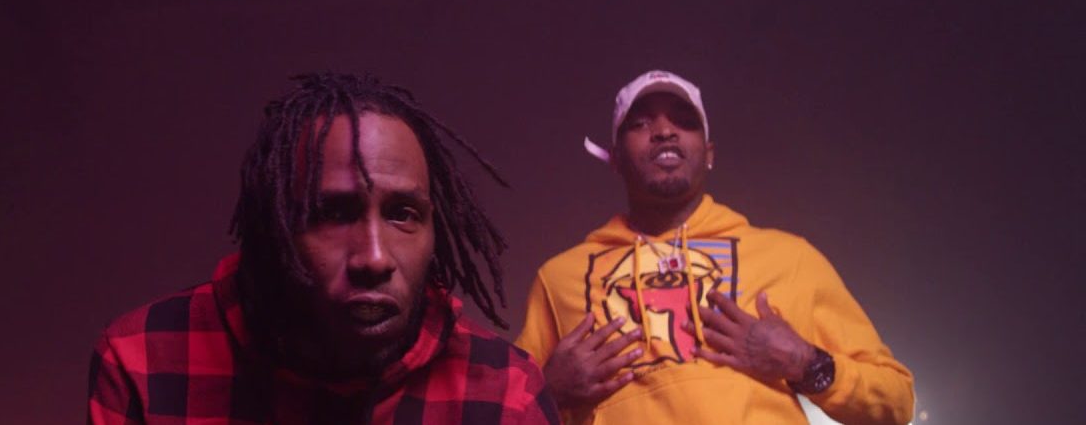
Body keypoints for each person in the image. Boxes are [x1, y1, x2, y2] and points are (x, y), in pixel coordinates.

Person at [89, 73, 558, 425]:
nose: (374, 258)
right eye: (333, 213)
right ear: (272, 228)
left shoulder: (504, 391)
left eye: (402, 214)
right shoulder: (145, 359)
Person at [514, 70, 914, 424]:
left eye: (684, 121)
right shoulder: (559, 279)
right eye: (640, 123)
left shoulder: (789, 258)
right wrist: (548, 393)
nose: (664, 131)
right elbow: (496, 409)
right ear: (616, 159)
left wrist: (802, 362)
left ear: (708, 154)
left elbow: (896, 402)